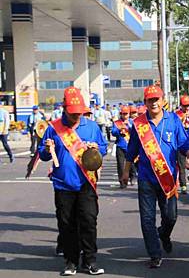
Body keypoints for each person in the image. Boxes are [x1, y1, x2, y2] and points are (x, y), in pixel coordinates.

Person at [121, 85, 189, 269]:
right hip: (146, 178)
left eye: (156, 99)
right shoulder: (139, 124)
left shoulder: (173, 120)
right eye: (150, 100)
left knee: (171, 217)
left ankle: (164, 234)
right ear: (145, 102)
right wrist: (125, 171)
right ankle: (154, 254)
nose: (154, 103)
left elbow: (185, 143)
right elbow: (131, 151)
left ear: (162, 101)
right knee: (147, 219)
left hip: (168, 178)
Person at [38, 86, 107, 276]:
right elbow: (43, 155)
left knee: (88, 221)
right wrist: (46, 148)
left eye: (80, 113)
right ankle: (70, 261)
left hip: (86, 182)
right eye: (73, 112)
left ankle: (90, 261)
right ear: (63, 108)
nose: (77, 116)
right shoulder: (53, 129)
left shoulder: (91, 126)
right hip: (63, 184)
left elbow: (103, 147)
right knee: (66, 224)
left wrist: (97, 149)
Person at [112, 106, 136, 188]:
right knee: (121, 165)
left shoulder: (132, 122)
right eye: (123, 114)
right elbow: (113, 132)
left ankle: (132, 177)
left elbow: (136, 131)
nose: (125, 115)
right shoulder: (117, 123)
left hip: (130, 145)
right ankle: (122, 182)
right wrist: (119, 130)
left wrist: (128, 126)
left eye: (126, 114)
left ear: (129, 114)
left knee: (132, 163)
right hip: (120, 146)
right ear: (120, 114)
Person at [175, 95, 189, 194]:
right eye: (184, 106)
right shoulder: (176, 115)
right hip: (180, 143)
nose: (186, 108)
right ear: (181, 105)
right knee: (181, 165)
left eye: (188, 106)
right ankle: (183, 185)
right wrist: (182, 120)